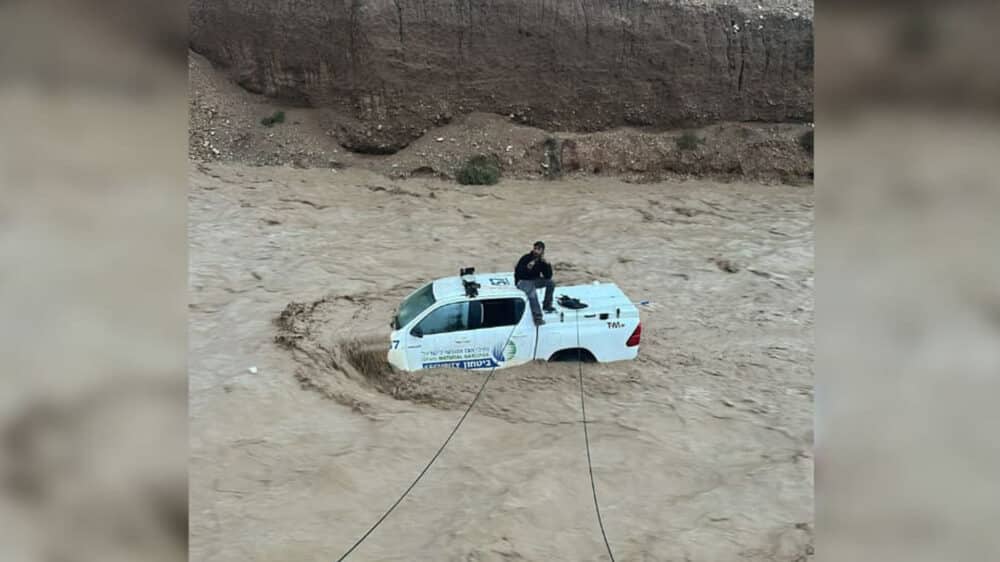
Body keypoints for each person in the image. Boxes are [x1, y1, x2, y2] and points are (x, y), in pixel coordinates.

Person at [515, 241, 556, 325]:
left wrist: (547, 265)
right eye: (535, 248)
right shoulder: (526, 258)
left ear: (542, 251)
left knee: (551, 283)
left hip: (534, 280)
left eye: (538, 249)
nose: (536, 251)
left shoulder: (541, 261)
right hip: (522, 280)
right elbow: (519, 273)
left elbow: (548, 276)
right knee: (532, 293)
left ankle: (547, 305)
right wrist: (528, 267)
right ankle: (537, 317)